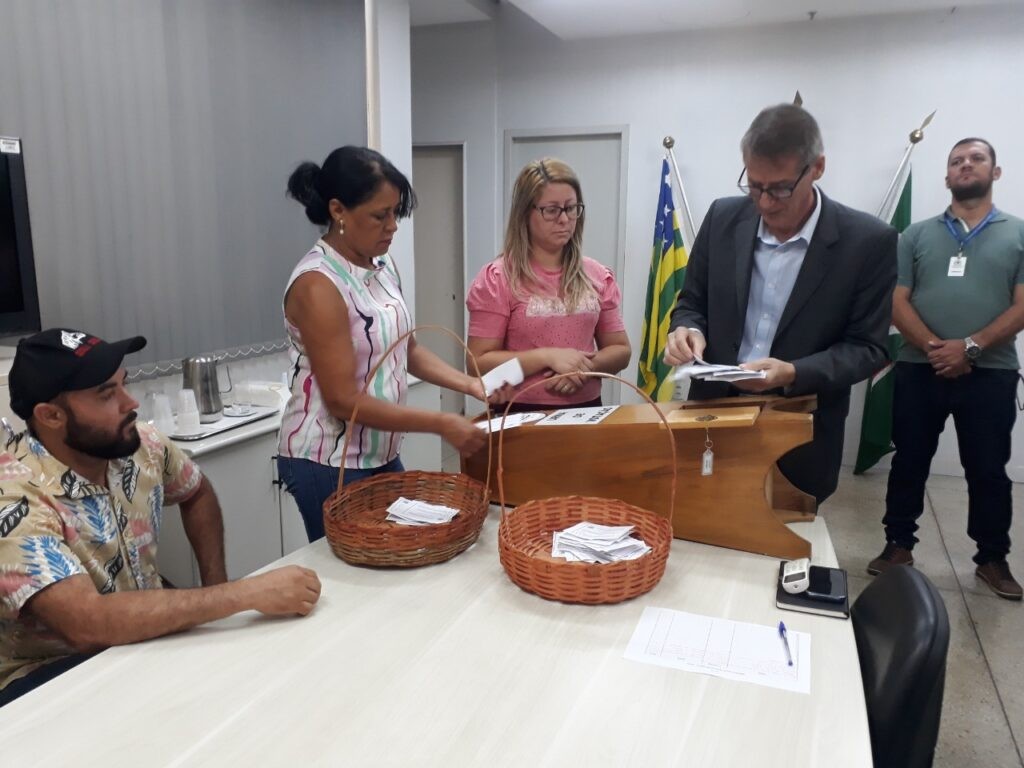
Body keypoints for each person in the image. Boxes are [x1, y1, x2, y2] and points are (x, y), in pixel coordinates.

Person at [0, 329, 321, 706]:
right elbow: (86, 624)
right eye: (106, 394)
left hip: (147, 636)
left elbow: (196, 492)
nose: (129, 402)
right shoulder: (15, 499)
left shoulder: (141, 446)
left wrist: (215, 585)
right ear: (50, 415)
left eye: (124, 384)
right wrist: (237, 595)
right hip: (52, 676)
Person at [664, 104, 897, 504]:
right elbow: (692, 301)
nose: (766, 202)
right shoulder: (722, 218)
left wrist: (793, 372)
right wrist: (687, 330)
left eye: (780, 188)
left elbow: (868, 348)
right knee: (706, 532)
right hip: (712, 419)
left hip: (801, 428)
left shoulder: (868, 242)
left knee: (787, 544)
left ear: (817, 167)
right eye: (754, 186)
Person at [279, 146, 499, 542]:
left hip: (379, 450)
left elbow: (407, 350)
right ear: (338, 210)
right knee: (354, 574)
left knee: (399, 552)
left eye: (395, 213)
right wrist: (441, 423)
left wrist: (470, 385)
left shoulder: (381, 267)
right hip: (328, 457)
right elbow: (344, 400)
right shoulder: (318, 285)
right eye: (380, 216)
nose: (392, 226)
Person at [868, 138, 1024, 600]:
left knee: (989, 469)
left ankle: (992, 558)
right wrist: (938, 349)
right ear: (947, 177)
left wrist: (971, 348)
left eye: (976, 159)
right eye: (956, 161)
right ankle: (898, 545)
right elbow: (895, 299)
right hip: (921, 368)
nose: (965, 165)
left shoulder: (1018, 233)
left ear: (995, 172)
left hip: (992, 373)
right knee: (910, 459)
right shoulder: (916, 235)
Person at [466, 158, 631, 411]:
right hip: (518, 412)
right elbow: (478, 363)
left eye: (571, 208)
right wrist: (547, 357)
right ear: (525, 213)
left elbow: (621, 350)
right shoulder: (498, 278)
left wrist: (582, 369)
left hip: (587, 411)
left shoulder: (597, 275)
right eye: (552, 210)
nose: (564, 219)